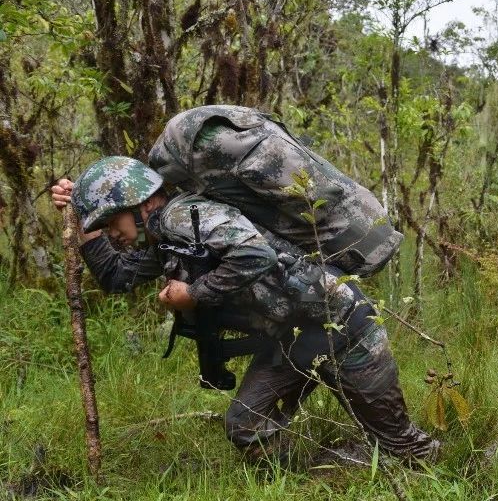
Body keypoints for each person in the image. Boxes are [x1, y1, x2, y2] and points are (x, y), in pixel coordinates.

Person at [51, 156, 440, 464]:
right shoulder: (164, 241)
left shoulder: (183, 216)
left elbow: (255, 253)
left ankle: (453, 470)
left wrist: (194, 294)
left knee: (404, 447)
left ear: (140, 203)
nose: (111, 230)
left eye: (109, 219)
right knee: (245, 425)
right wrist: (84, 223)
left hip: (344, 329)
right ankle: (316, 482)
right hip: (295, 340)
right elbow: (117, 277)